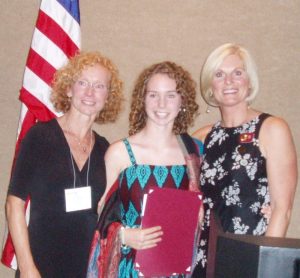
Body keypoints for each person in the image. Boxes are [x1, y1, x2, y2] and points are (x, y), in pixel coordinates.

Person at [5, 51, 123, 278]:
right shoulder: (40, 136)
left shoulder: (104, 149)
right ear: (69, 89)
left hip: (86, 267)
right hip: (40, 264)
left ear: (108, 96)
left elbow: (108, 211)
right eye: (83, 83)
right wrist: (28, 268)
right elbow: (14, 205)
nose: (90, 92)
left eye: (99, 86)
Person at [87, 61, 203, 277]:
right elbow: (98, 214)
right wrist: (123, 235)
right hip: (129, 268)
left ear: (182, 101)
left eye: (170, 95)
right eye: (153, 95)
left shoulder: (193, 153)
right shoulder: (120, 153)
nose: (161, 104)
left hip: (177, 270)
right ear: (143, 100)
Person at [192, 43, 298, 277]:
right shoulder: (201, 138)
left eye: (237, 73)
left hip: (251, 256)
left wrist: (266, 266)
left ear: (249, 81)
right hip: (204, 255)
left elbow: (283, 209)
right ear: (211, 85)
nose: (229, 82)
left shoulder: (271, 129)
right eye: (220, 74)